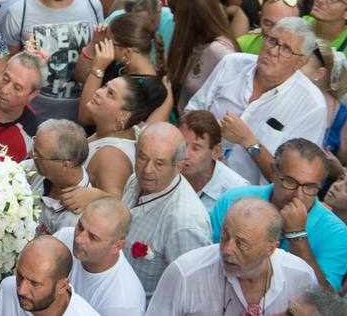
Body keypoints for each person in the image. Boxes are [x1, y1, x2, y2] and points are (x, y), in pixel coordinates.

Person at [186, 17, 327, 184]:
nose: (273, 51)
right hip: (194, 175)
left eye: (286, 49)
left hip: (249, 199)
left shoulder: (312, 106)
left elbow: (292, 181)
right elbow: (190, 114)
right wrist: (208, 131)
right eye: (272, 40)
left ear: (301, 62)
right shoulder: (232, 63)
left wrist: (249, 142)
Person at [209, 138, 347, 291]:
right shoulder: (232, 201)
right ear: (273, 172)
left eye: (310, 187)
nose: (298, 195)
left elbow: (323, 299)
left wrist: (297, 236)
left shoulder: (337, 233)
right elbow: (208, 262)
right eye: (290, 182)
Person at [144, 197, 317, 315]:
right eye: (225, 235)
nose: (227, 249)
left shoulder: (301, 276)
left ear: (270, 249)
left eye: (241, 244)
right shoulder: (186, 273)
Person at [1, 0, 107, 120]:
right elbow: (7, 66)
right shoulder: (19, 12)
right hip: (32, 115)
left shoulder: (92, 5)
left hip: (82, 113)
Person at [119, 123, 212, 298]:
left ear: (179, 166)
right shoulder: (135, 180)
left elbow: (191, 292)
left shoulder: (184, 224)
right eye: (142, 157)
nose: (147, 170)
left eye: (159, 163)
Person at [53, 198, 147, 316]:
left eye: (93, 237)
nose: (78, 239)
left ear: (117, 246)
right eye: (80, 227)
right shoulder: (63, 238)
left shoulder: (123, 303)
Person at [0, 235, 101, 316]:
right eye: (20, 276)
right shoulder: (7, 289)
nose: (21, 290)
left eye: (34, 283)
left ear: (62, 286)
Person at [178, 110, 250, 212]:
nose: (185, 154)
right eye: (182, 145)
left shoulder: (237, 192)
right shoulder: (167, 169)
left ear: (215, 151)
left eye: (196, 148)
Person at [33, 119, 95, 236]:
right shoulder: (38, 165)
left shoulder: (75, 220)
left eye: (38, 155)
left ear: (65, 164)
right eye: (34, 146)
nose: (32, 155)